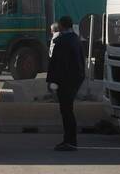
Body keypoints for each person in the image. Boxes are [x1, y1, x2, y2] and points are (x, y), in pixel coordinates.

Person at [46, 16, 85, 151]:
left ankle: (70, 141)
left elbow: (56, 64)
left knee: (66, 111)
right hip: (74, 80)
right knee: (68, 110)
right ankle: (69, 140)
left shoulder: (62, 42)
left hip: (65, 81)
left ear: (62, 26)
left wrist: (51, 82)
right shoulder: (76, 39)